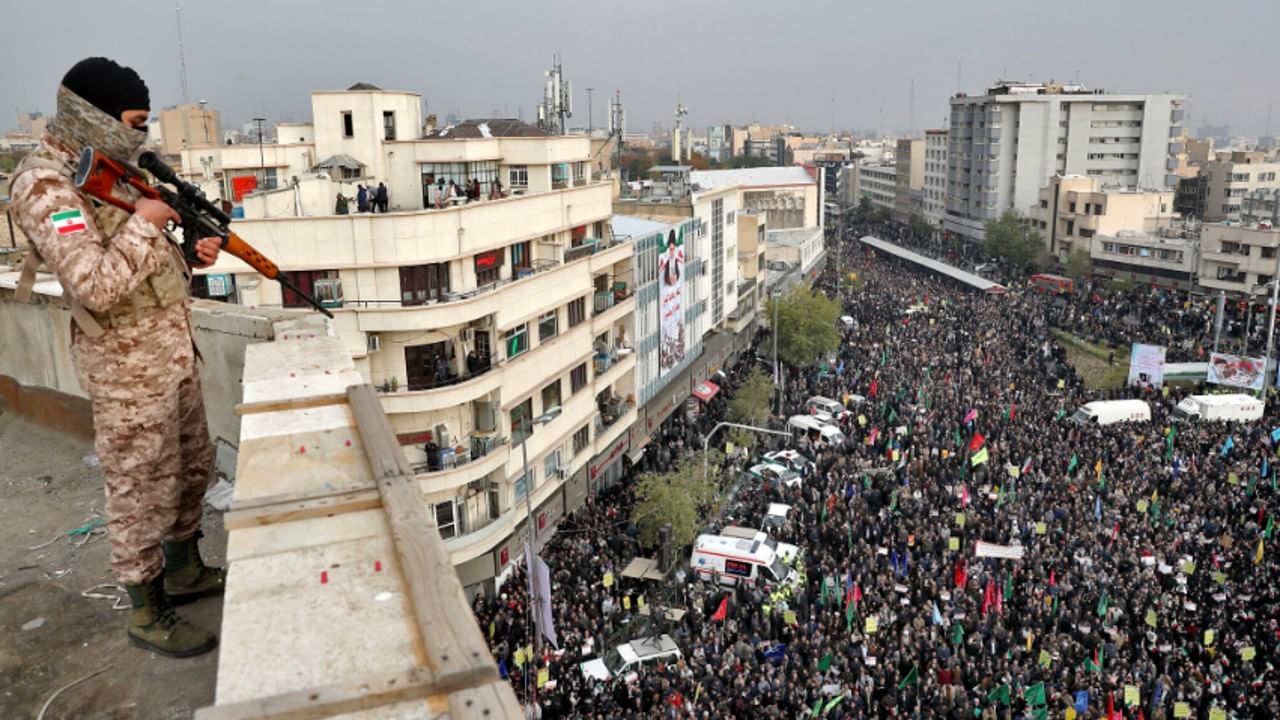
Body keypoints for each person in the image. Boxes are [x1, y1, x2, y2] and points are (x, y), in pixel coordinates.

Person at [9, 57, 225, 658]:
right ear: (93, 114)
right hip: (124, 366)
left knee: (189, 468)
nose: (140, 136)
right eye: (133, 122)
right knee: (139, 489)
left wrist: (191, 252)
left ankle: (184, 571)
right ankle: (146, 610)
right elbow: (94, 285)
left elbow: (147, 257)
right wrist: (146, 226)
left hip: (172, 349)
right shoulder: (46, 183)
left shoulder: (113, 168)